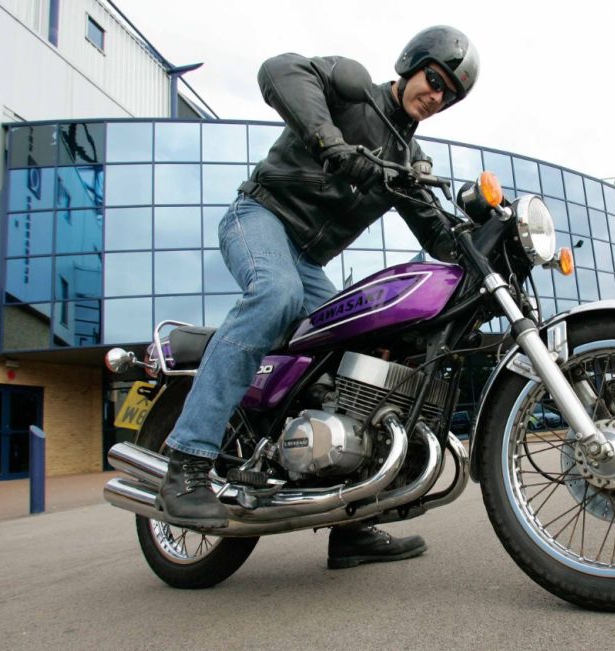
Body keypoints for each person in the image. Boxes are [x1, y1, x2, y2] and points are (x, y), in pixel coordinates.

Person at [155, 26, 479, 570]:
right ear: (411, 64)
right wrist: (330, 140)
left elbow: (439, 235)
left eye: (449, 93)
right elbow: (280, 68)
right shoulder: (353, 92)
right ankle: (185, 464)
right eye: (433, 78)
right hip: (259, 217)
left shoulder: (407, 158)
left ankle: (352, 523)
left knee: (364, 353)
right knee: (275, 294)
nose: (436, 95)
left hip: (308, 262)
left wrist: (493, 241)